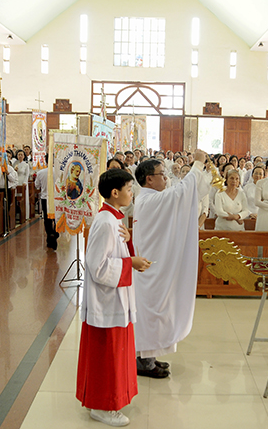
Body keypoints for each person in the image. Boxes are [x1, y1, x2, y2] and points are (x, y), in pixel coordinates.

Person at [76, 169, 151, 427]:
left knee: (114, 356)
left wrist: (129, 247)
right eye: (129, 189)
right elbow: (97, 266)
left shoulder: (114, 218)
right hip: (107, 302)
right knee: (107, 357)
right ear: (115, 192)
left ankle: (107, 401)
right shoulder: (106, 222)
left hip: (116, 298)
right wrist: (131, 262)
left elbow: (115, 253)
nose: (132, 193)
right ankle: (103, 407)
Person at [132, 149, 210, 378]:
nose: (166, 178)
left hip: (154, 267)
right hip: (151, 270)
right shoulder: (150, 200)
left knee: (156, 313)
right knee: (152, 313)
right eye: (162, 174)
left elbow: (181, 194)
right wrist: (197, 164)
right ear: (149, 179)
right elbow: (181, 193)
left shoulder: (150, 198)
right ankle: (144, 362)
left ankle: (149, 357)